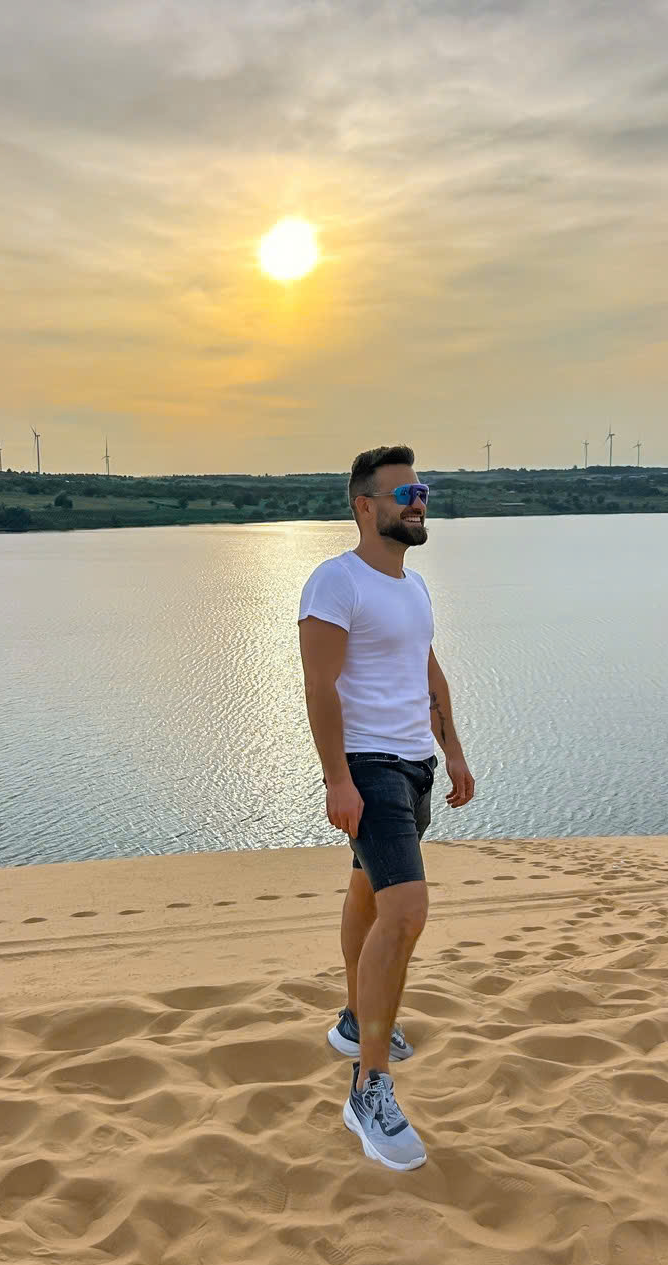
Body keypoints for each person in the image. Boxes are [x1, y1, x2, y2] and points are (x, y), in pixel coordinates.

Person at [297, 444, 475, 1172]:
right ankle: (369, 1087)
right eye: (405, 493)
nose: (419, 501)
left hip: (415, 766)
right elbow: (319, 686)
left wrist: (453, 752)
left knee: (369, 893)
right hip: (369, 770)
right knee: (405, 912)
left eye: (423, 489)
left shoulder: (415, 586)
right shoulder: (335, 582)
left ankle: (355, 1018)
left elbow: (428, 672)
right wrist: (337, 779)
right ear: (365, 507)